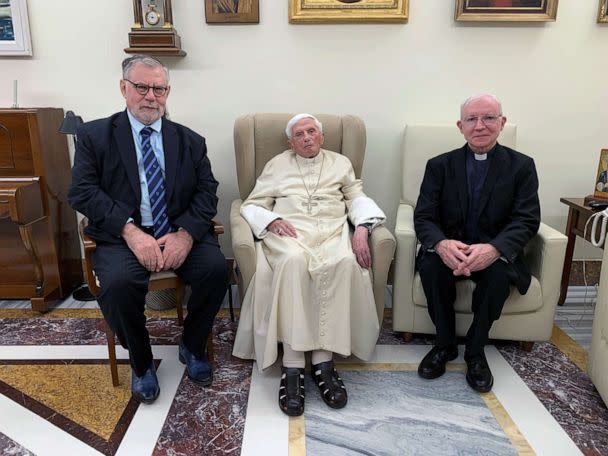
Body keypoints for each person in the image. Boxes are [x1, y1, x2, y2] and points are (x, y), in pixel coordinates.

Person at [68, 55, 227, 404]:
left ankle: (192, 343)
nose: (150, 96)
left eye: (159, 89)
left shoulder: (189, 140)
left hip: (176, 230)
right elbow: (81, 192)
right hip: (121, 236)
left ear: (167, 92)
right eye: (141, 87)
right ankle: (141, 363)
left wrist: (185, 233)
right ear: (124, 88)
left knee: (216, 270)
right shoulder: (94, 135)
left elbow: (207, 191)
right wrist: (130, 231)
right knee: (120, 285)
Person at [232, 114, 386, 416]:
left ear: (322, 136)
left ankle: (322, 361)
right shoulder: (277, 164)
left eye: (311, 131)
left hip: (332, 230)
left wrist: (364, 229)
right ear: (291, 142)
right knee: (292, 263)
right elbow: (252, 203)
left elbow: (356, 196)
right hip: (291, 233)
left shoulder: (340, 163)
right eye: (299, 134)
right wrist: (272, 220)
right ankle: (292, 366)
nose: (306, 138)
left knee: (343, 262)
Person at [414, 94, 540, 393]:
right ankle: (444, 346)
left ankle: (475, 350)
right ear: (461, 126)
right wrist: (442, 244)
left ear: (502, 122)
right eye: (472, 119)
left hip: (494, 250)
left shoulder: (521, 166)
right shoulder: (439, 166)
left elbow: (526, 219)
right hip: (450, 248)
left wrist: (495, 249)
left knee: (497, 277)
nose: (480, 126)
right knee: (431, 268)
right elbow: (423, 216)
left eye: (489, 118)